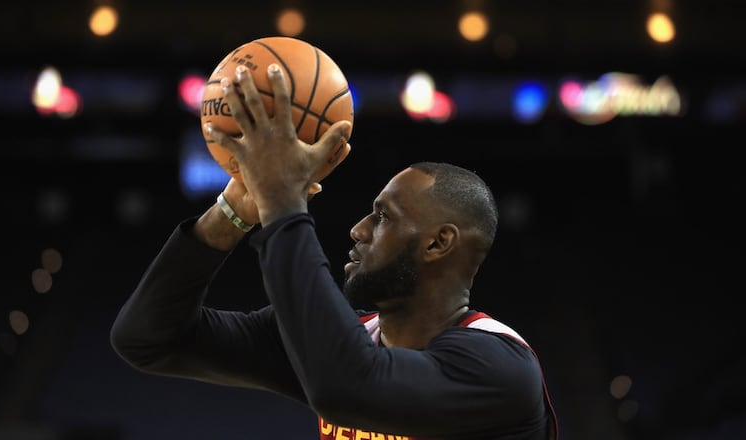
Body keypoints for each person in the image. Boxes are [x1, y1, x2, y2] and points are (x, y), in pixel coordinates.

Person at [111, 62, 559, 440]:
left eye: (383, 216)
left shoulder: (498, 368)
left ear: (438, 243)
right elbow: (147, 339)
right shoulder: (349, 338)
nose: (358, 229)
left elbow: (346, 387)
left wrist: (283, 201)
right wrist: (232, 213)